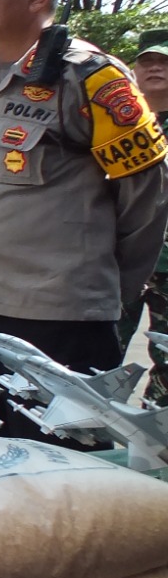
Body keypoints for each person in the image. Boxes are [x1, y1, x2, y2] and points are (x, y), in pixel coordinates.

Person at [0, 0, 168, 441]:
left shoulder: (91, 77)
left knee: (59, 471)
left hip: (60, 321)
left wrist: (106, 292)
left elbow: (146, 200)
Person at [118, 28, 168, 406]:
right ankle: (84, 429)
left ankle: (156, 428)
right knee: (95, 351)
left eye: (164, 62)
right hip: (116, 258)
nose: (155, 68)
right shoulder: (115, 123)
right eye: (147, 61)